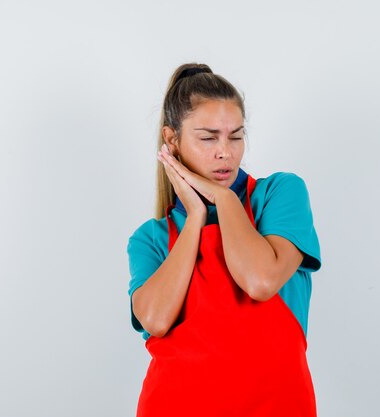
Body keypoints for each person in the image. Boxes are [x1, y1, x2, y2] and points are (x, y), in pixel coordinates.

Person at [127, 63, 322, 417]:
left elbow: (260, 281)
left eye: (235, 136)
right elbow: (155, 320)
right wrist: (194, 220)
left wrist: (226, 199)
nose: (225, 152)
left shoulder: (278, 195)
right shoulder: (151, 239)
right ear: (172, 140)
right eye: (208, 138)